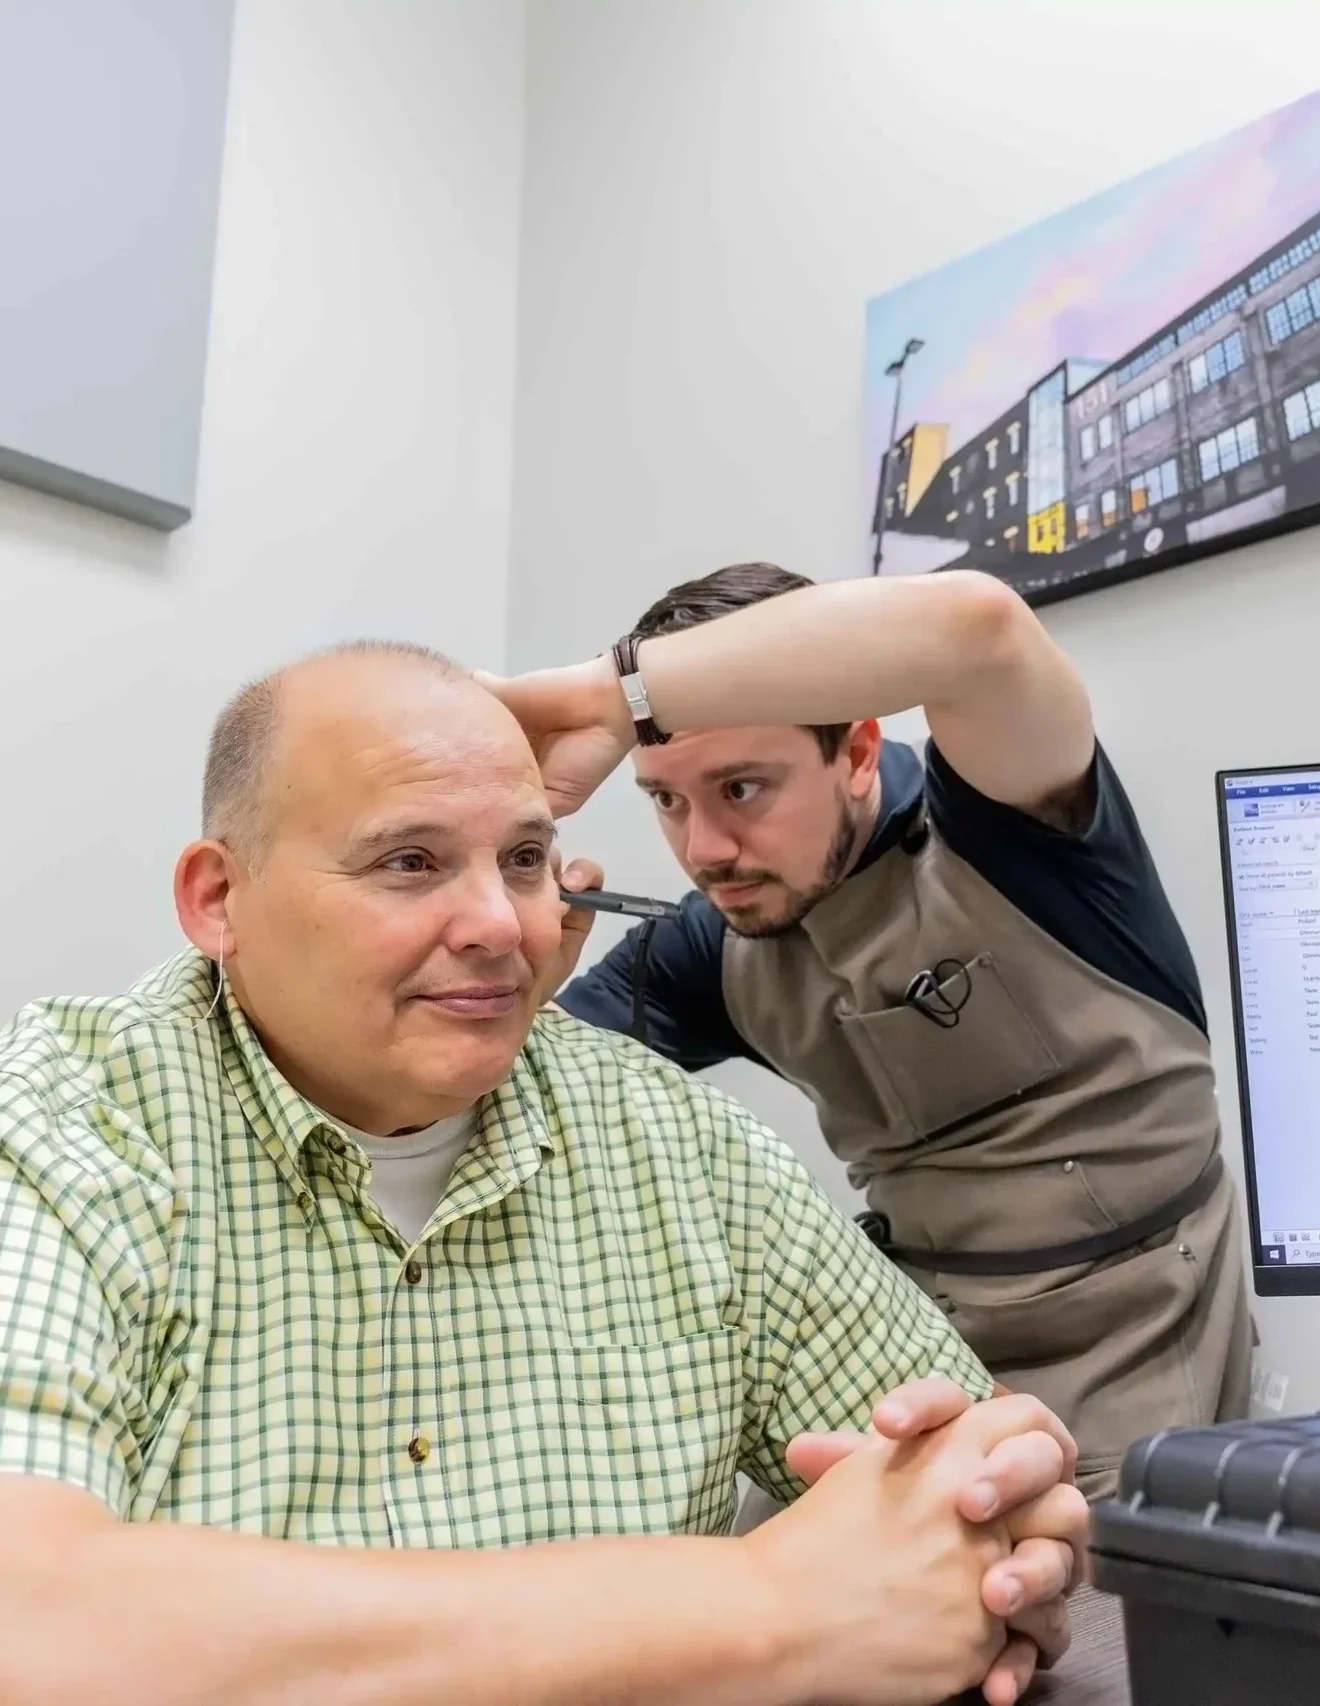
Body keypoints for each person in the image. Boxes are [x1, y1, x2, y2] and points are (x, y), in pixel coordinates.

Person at [0, 642, 1088, 1706]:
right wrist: (761, 1605)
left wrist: (1007, 1531)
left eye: (523, 859)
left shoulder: (679, 1145)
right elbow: (33, 1623)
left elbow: (969, 1464)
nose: (501, 923)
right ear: (217, 900)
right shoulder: (69, 1120)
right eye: (409, 861)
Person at [483, 564, 1253, 1499]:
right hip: (890, 1357)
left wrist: (608, 696)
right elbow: (499, 1102)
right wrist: (517, 984)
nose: (704, 850)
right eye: (668, 800)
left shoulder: (1010, 834)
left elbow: (977, 629)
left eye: (742, 788)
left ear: (854, 753)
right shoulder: (711, 942)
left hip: (1130, 1364)